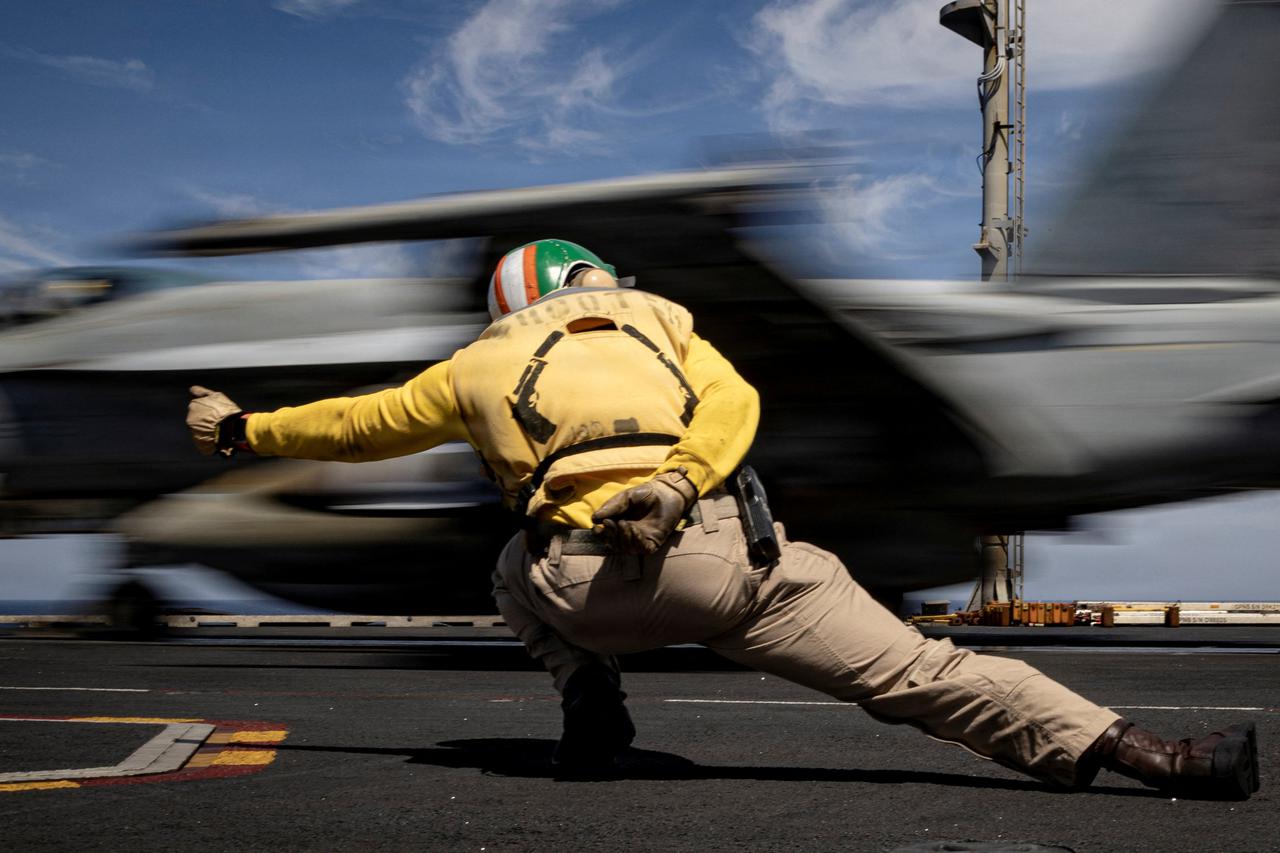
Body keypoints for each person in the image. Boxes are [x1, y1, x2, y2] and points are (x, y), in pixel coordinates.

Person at [187, 238, 1259, 798]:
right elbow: (737, 406)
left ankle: (587, 708)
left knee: (509, 567)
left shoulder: (474, 359)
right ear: (593, 281)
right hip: (725, 562)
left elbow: (353, 426)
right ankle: (1160, 760)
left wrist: (240, 430)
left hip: (581, 586)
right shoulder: (663, 320)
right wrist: (673, 481)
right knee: (926, 674)